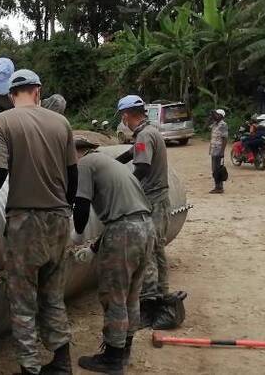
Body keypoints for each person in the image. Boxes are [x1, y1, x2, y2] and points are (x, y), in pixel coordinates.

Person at [0, 69, 78, 375]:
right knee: (53, 294)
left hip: (25, 222)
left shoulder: (2, 122)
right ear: (37, 91)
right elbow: (73, 175)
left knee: (23, 299)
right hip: (60, 218)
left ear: (12, 95)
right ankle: (62, 363)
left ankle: (29, 368)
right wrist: (66, 208)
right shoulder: (61, 122)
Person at [72, 137, 154, 375]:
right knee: (131, 294)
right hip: (145, 228)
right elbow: (123, 214)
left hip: (125, 233)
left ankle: (112, 358)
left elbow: (81, 207)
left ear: (76, 153)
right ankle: (124, 349)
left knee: (114, 295)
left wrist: (77, 238)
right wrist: (95, 248)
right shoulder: (111, 165)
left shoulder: (84, 165)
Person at [114, 95, 170, 326]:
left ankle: (151, 305)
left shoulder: (144, 135)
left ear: (127, 115)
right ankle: (163, 297)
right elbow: (132, 154)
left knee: (148, 252)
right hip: (160, 198)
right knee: (157, 249)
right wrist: (112, 163)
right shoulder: (150, 132)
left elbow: (143, 166)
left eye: (123, 116)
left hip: (153, 200)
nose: (123, 121)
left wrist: (127, 185)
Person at [0, 58, 68, 129]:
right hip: (4, 119)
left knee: (58, 101)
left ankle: (46, 131)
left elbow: (40, 99)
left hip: (30, 114)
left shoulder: (26, 79)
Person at [209, 109, 229, 194]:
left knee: (218, 170)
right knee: (214, 169)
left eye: (217, 114)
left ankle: (219, 187)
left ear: (221, 116)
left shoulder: (223, 125)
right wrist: (212, 117)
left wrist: (222, 151)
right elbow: (207, 127)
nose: (215, 116)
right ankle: (218, 186)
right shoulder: (215, 124)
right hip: (213, 150)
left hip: (219, 150)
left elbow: (225, 138)